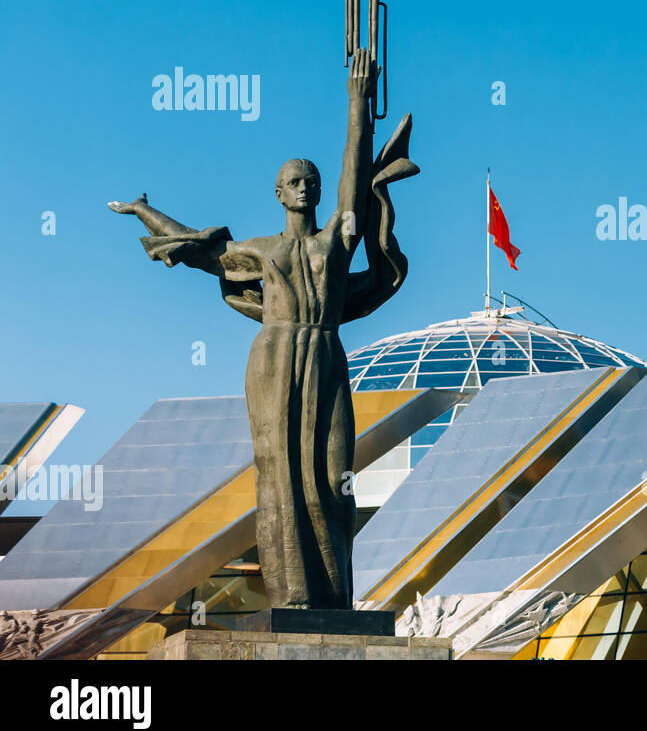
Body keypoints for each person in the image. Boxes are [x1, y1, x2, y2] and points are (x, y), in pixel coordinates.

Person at [109, 48, 418, 609]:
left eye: (311, 181)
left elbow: (354, 183)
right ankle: (292, 596)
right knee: (278, 474)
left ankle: (334, 602)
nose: (305, 187)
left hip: (325, 353)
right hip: (274, 357)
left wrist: (358, 100)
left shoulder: (333, 244)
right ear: (278, 193)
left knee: (330, 473)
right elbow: (200, 250)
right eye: (294, 181)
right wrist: (144, 212)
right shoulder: (259, 250)